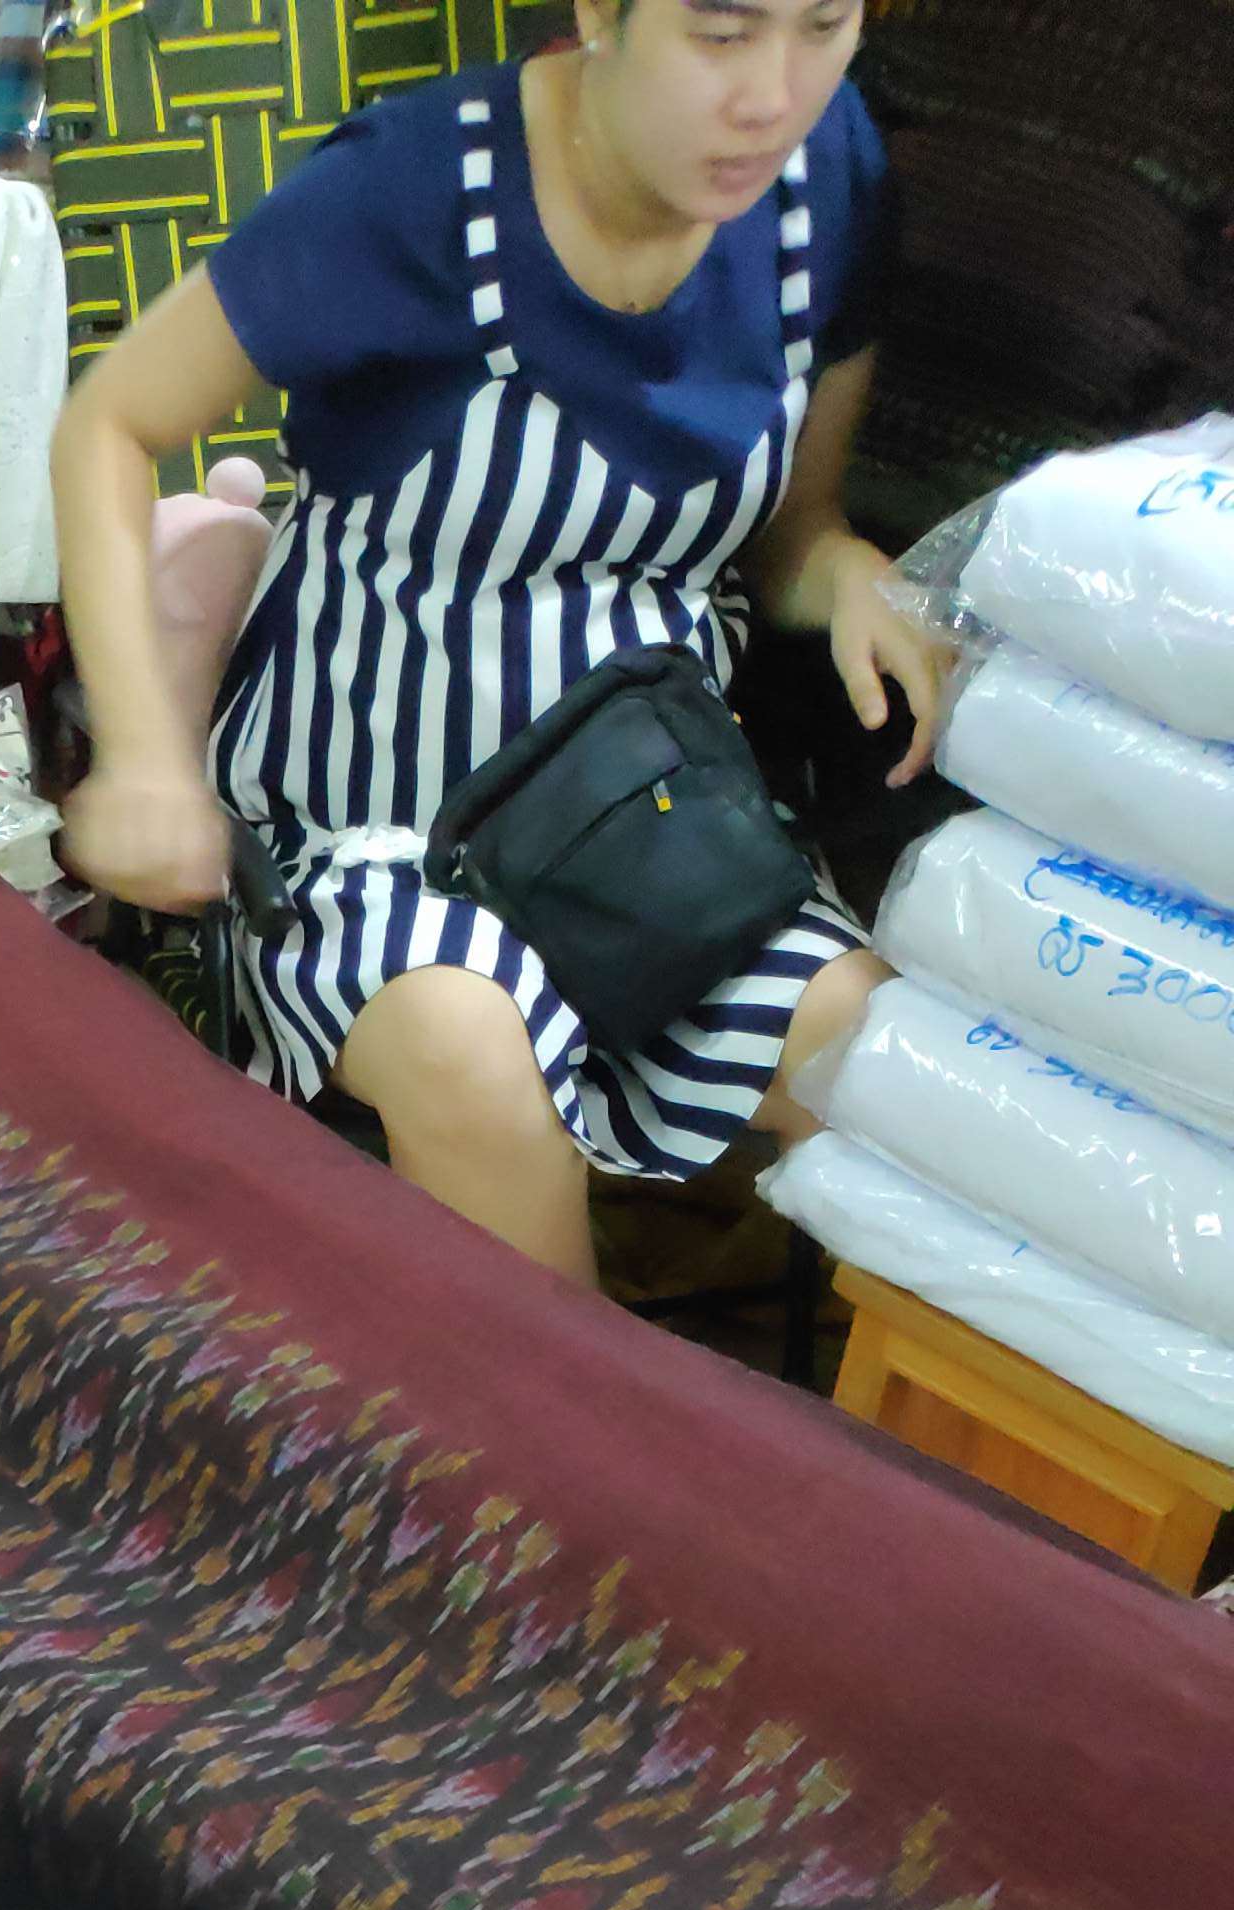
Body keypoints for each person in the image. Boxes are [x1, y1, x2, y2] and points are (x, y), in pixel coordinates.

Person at [50, 0, 945, 1285]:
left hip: (650, 828)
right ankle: (557, 1417)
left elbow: (794, 531)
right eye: (722, 33)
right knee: (470, 1047)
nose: (773, 96)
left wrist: (846, 572)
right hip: (366, 829)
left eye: (823, 26)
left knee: (877, 1057)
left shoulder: (827, 181)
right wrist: (144, 758)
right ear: (599, 13)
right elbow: (110, 423)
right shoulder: (418, 186)